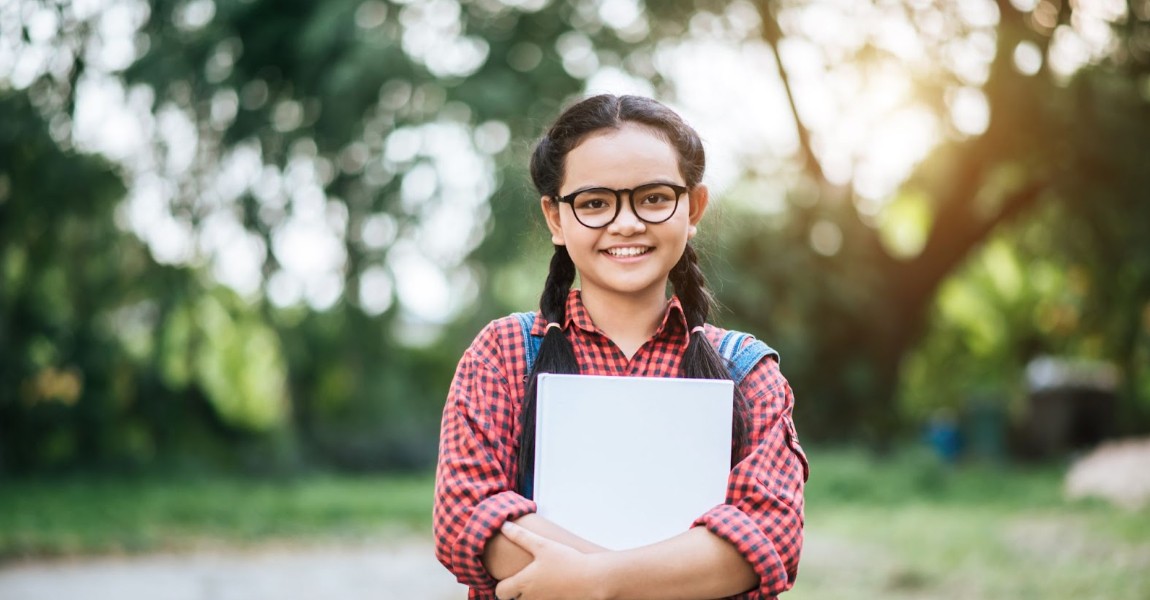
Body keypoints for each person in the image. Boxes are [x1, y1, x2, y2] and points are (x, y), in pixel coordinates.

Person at [433, 94, 808, 600]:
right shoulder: (504, 354)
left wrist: (597, 582)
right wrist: (663, 577)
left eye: (653, 198)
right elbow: (466, 514)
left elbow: (767, 537)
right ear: (555, 219)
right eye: (594, 203)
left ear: (693, 207)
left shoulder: (746, 371)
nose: (626, 223)